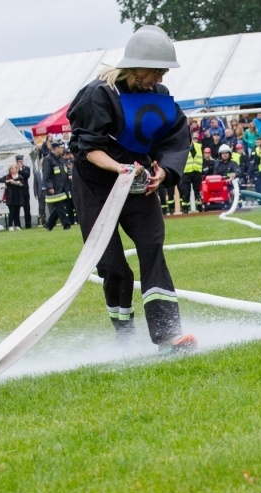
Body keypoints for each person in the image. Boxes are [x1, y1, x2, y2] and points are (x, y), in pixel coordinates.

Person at [66, 25, 196, 353]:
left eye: (164, 72)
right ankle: (124, 333)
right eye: (156, 71)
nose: (161, 78)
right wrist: (120, 168)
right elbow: (88, 148)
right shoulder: (99, 95)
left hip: (139, 183)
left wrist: (164, 172)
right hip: (97, 185)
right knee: (111, 264)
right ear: (135, 66)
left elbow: (176, 137)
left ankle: (168, 333)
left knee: (152, 247)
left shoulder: (161, 99)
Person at [42, 142, 72, 230]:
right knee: (60, 206)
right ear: (55, 148)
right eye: (61, 147)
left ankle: (49, 224)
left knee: (60, 207)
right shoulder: (48, 159)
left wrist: (69, 174)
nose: (62, 149)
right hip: (55, 187)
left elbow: (66, 169)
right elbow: (46, 175)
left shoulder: (61, 159)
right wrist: (50, 187)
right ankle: (66, 224)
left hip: (63, 186)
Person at [179, 131, 204, 214]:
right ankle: (185, 209)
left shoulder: (199, 146)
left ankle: (200, 208)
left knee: (198, 192)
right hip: (186, 172)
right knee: (185, 192)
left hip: (196, 172)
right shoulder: (182, 148)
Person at [2, 164, 24, 230]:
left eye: (14, 168)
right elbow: (0, 180)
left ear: (16, 169)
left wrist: (19, 184)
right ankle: (10, 225)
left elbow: (23, 185)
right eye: (11, 169)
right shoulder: (7, 177)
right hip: (10, 197)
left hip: (18, 196)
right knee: (12, 212)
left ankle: (17, 225)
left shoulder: (20, 177)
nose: (13, 170)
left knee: (17, 212)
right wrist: (8, 181)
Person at [16, 155, 32, 228]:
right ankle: (18, 225)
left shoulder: (26, 168)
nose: (21, 163)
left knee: (27, 208)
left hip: (25, 190)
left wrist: (20, 170)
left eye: (22, 161)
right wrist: (17, 170)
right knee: (17, 208)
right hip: (17, 191)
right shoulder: (14, 169)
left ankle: (28, 224)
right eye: (19, 162)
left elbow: (26, 175)